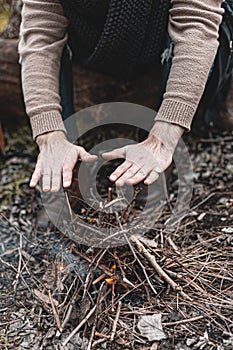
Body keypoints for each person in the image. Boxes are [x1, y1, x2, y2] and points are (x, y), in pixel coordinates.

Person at [18, 0, 225, 193]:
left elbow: (196, 22)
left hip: (163, 34)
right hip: (91, 38)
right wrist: (48, 135)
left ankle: (153, 170)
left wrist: (163, 138)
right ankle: (62, 169)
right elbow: (41, 30)